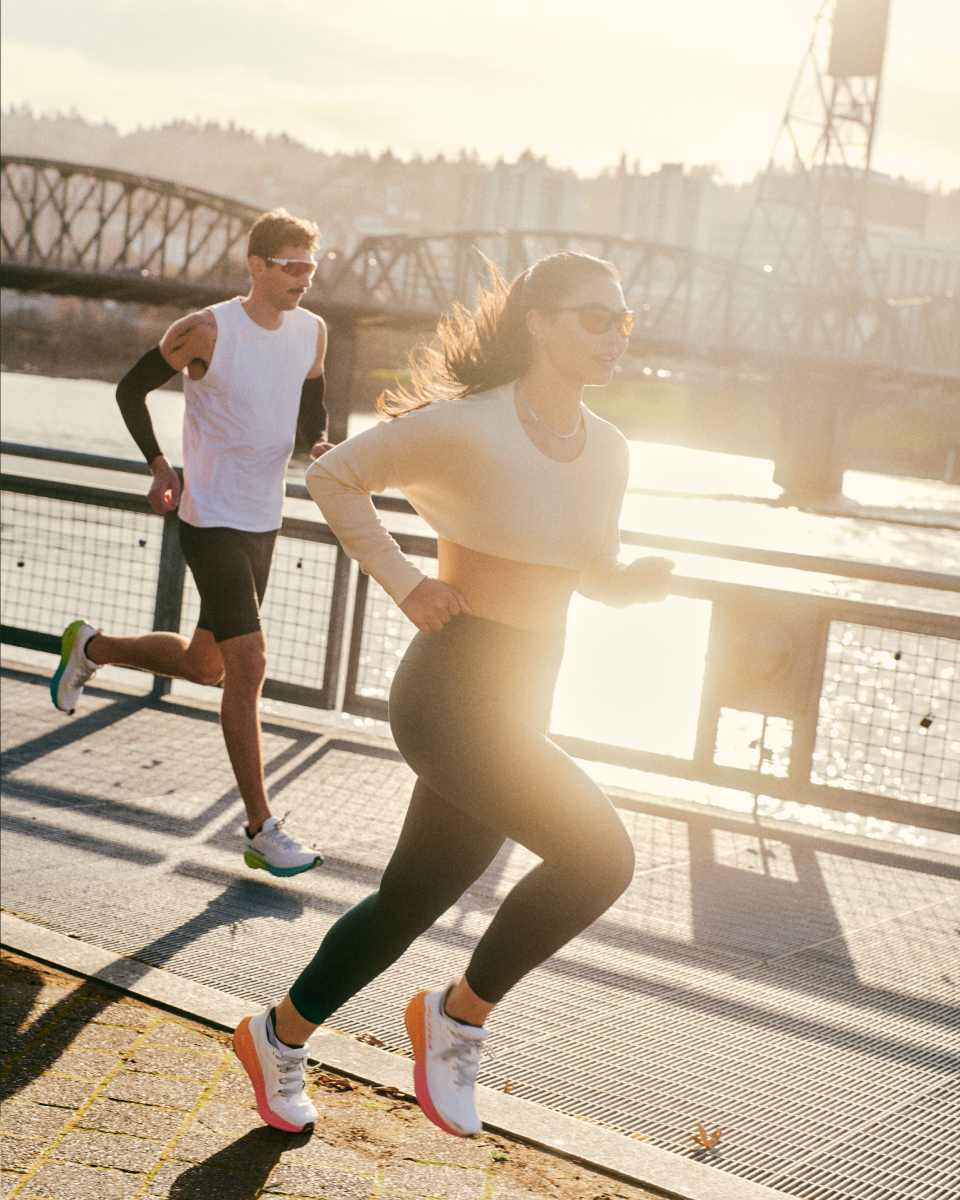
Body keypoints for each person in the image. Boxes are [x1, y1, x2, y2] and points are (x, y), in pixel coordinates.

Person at [232, 251, 675, 1136]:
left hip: (529, 685)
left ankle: (276, 1036)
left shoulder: (611, 450)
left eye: (622, 320)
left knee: (412, 898)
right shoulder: (470, 425)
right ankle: (457, 1016)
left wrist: (625, 583)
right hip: (452, 688)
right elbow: (333, 475)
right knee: (601, 859)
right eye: (594, 316)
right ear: (539, 321)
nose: (613, 335)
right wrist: (406, 582)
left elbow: (584, 562)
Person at [50, 208, 331, 878]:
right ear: (256, 266)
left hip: (265, 517)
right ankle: (261, 828)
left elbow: (311, 408)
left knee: (211, 666)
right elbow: (130, 390)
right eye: (289, 266)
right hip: (210, 518)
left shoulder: (314, 331)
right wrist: (157, 465)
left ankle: (90, 647)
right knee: (251, 662)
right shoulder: (206, 329)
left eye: (310, 268)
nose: (302, 279)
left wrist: (319, 445)